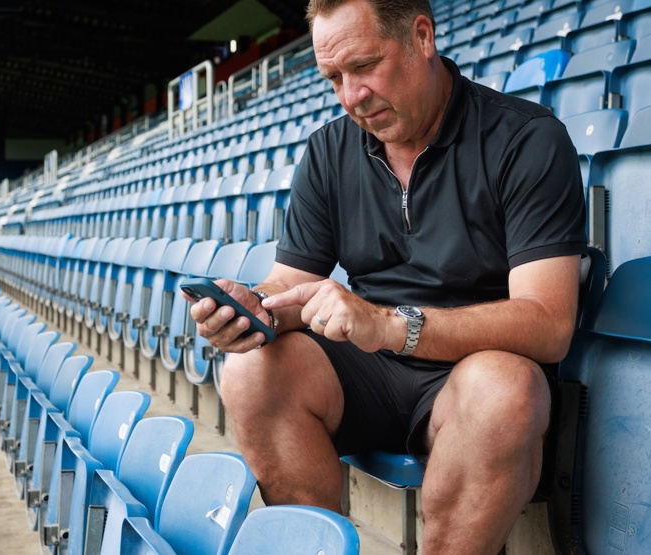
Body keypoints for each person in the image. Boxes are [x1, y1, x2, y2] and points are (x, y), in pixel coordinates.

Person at [187, 0, 587, 553]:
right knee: (250, 372)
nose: (351, 97)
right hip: (370, 373)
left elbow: (549, 323)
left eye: (364, 67)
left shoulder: (526, 140)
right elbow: (290, 284)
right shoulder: (328, 150)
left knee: (505, 389)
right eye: (334, 78)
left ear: (423, 37)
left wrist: (393, 324)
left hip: (471, 376)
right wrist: (253, 307)